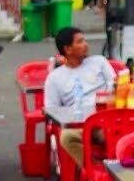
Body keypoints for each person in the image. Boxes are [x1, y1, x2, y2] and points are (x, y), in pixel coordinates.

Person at [43, 26, 116, 168]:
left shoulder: (99, 62)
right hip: (82, 126)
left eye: (85, 40)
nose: (86, 44)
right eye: (80, 41)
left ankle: (125, 169)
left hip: (107, 120)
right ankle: (95, 170)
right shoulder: (55, 78)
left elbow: (115, 85)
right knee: (66, 137)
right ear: (68, 49)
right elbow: (52, 110)